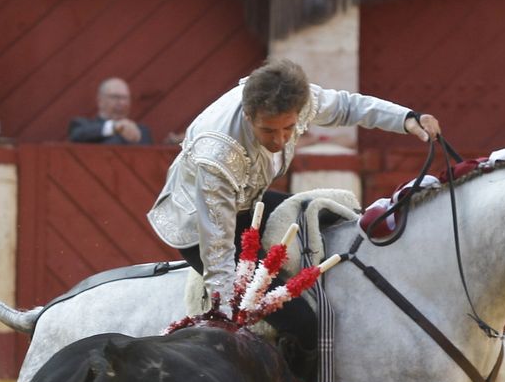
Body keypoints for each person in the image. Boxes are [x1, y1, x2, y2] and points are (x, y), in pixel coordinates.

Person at [148, 58, 440, 346]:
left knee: (335, 218)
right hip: (198, 226)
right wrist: (227, 311)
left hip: (249, 201)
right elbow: (217, 245)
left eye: (288, 128)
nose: (280, 140)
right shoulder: (217, 153)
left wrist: (406, 118)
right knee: (303, 323)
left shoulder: (295, 98)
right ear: (248, 117)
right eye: (269, 131)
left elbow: (346, 106)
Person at [68, 77, 153, 145]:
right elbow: (77, 136)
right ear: (100, 101)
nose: (121, 102)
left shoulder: (142, 131)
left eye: (125, 98)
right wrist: (115, 127)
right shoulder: (82, 125)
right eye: (115, 97)